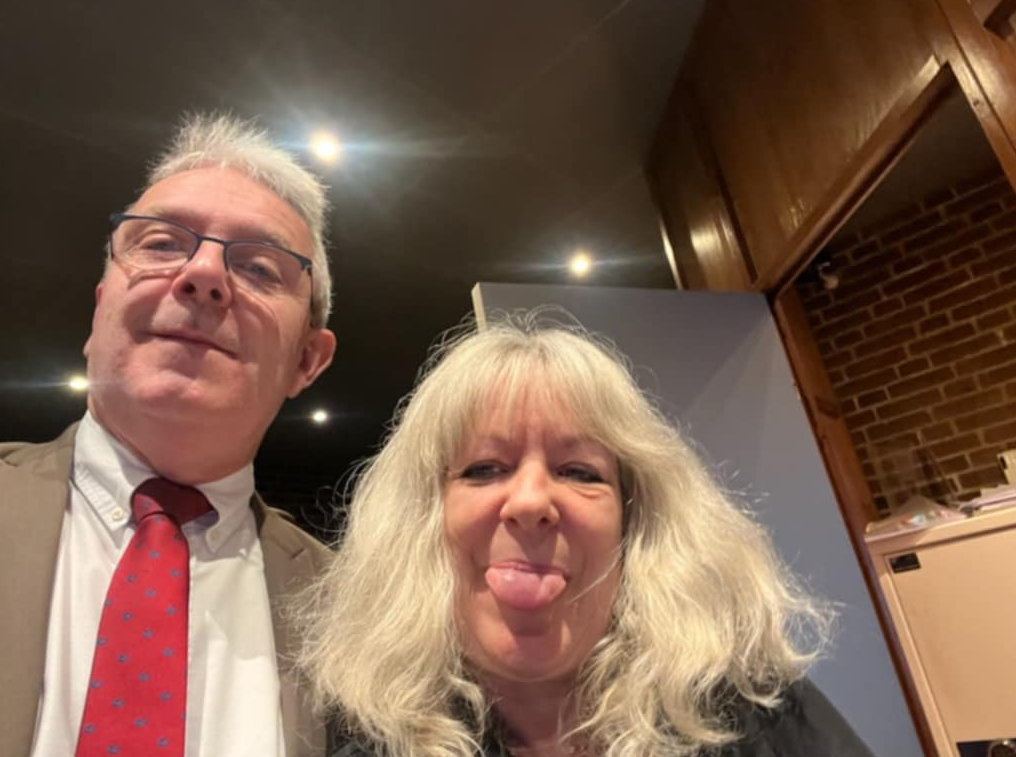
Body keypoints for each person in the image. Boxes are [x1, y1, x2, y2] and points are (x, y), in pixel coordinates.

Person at [298, 315, 874, 757]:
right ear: (422, 524)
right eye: (484, 469)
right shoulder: (370, 746)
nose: (530, 502)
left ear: (634, 524)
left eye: (579, 472)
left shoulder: (761, 716)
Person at [0, 113, 338, 757]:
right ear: (100, 310)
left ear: (306, 360)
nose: (203, 274)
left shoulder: (350, 608)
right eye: (160, 244)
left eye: (260, 268)